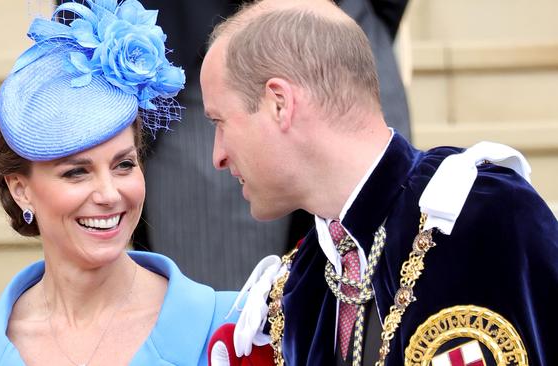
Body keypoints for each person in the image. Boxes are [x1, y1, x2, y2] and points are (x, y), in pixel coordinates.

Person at [200, 0, 558, 365]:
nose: (218, 156)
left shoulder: (483, 212)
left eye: (219, 122)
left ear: (279, 103)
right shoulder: (295, 290)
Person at [0, 1, 238, 365]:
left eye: (124, 165)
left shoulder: (223, 324)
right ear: (21, 189)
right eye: (76, 172)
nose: (110, 194)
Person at [136, 0, 411, 291]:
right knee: (229, 310)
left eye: (219, 124)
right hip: (197, 36)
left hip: (346, 31)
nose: (218, 157)